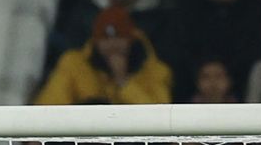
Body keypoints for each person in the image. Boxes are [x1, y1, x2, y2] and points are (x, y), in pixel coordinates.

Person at [34, 6, 173, 106]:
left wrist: (123, 82)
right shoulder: (74, 63)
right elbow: (52, 101)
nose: (112, 45)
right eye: (105, 39)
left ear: (131, 39)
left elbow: (160, 118)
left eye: (119, 38)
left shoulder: (156, 70)